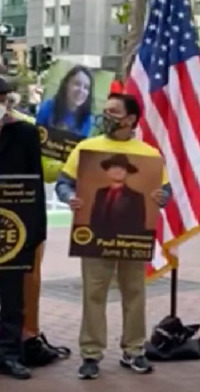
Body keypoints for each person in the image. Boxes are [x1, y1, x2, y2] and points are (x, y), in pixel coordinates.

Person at [55, 93, 172, 380]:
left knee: (135, 292)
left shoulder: (149, 154)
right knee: (94, 293)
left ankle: (134, 350)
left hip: (134, 237)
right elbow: (63, 183)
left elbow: (165, 191)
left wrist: (162, 196)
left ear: (130, 119)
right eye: (105, 110)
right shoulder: (86, 148)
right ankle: (91, 354)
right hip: (94, 235)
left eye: (114, 112)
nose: (106, 116)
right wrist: (70, 197)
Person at [0, 78, 47, 380]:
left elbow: (36, 184)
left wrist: (35, 232)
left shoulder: (26, 133)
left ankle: (9, 354)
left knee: (12, 296)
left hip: (11, 232)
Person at [89, 153, 147, 236]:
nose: (118, 171)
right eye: (114, 167)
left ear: (127, 173)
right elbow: (94, 221)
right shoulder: (100, 193)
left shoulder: (136, 197)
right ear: (108, 171)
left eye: (122, 168)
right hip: (98, 242)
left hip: (123, 244)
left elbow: (138, 227)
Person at [36, 65, 94, 137]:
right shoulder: (48, 107)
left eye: (86, 87)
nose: (81, 90)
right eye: (77, 84)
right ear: (66, 85)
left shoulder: (87, 119)